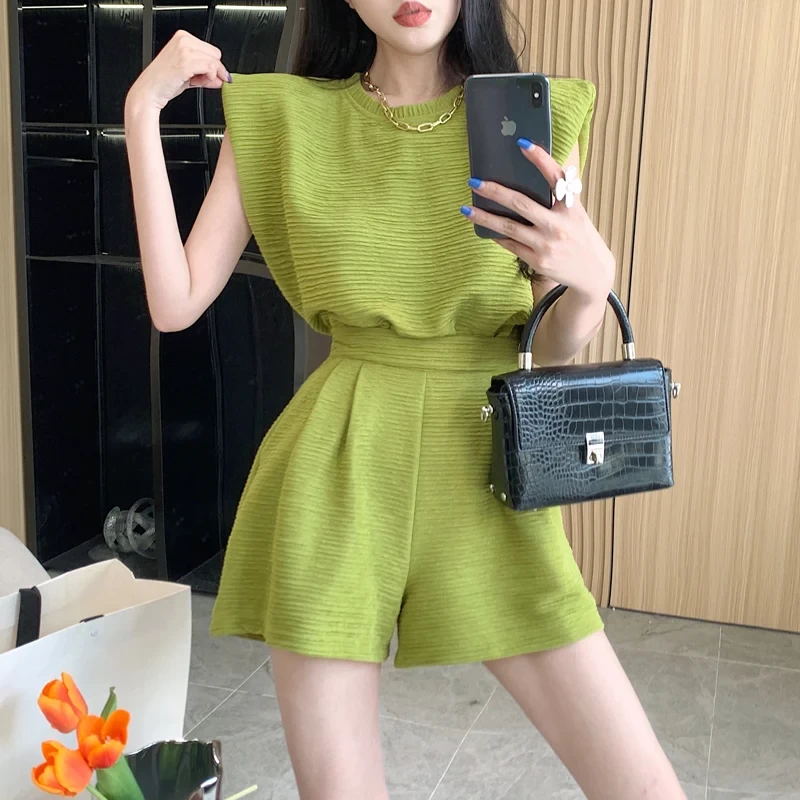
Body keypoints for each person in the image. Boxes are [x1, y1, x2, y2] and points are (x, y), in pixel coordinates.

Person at [125, 1, 684, 797]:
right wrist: (141, 109)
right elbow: (174, 302)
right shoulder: (284, 118)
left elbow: (552, 347)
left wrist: (593, 286)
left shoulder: (534, 120)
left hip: (489, 473)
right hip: (338, 471)